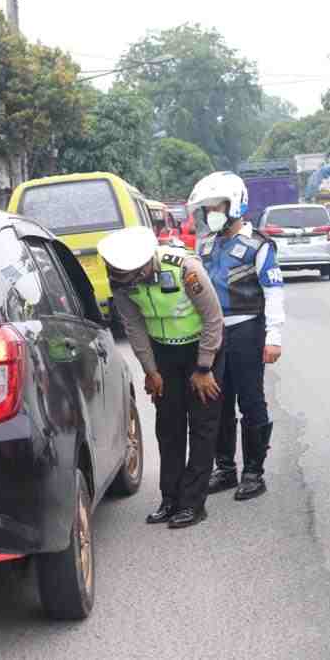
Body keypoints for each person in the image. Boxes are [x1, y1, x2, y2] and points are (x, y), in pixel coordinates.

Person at [98, 226, 225, 528]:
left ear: (143, 266)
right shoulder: (120, 278)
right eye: (116, 274)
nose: (120, 281)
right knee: (168, 426)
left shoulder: (186, 270)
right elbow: (134, 326)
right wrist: (150, 371)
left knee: (202, 426)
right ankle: (170, 499)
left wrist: (204, 367)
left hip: (202, 349)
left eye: (127, 276)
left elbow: (213, 318)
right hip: (163, 354)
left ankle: (193, 504)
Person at [187, 172, 285, 501]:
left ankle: (254, 472)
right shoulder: (204, 246)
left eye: (216, 207)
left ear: (235, 205)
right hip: (212, 335)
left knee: (250, 400)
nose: (210, 213)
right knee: (217, 401)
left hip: (247, 331)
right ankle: (225, 468)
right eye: (207, 209)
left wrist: (274, 337)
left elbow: (273, 292)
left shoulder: (258, 245)